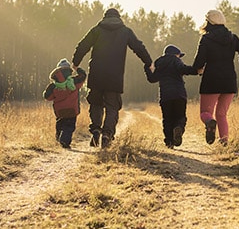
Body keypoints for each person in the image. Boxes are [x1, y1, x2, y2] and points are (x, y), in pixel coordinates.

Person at [72, 8, 153, 149]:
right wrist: (149, 62)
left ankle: (96, 130)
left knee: (96, 104)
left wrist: (75, 62)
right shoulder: (125, 31)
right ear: (119, 17)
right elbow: (138, 47)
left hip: (96, 74)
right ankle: (107, 134)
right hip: (115, 76)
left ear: (105, 17)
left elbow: (82, 45)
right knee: (112, 106)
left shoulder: (97, 30)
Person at [191, 9, 239, 145]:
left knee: (206, 112)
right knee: (222, 114)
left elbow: (198, 63)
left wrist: (197, 70)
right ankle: (224, 142)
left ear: (209, 22)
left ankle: (209, 122)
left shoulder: (206, 39)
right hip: (229, 81)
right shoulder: (232, 37)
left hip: (211, 81)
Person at [144, 44, 198, 149]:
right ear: (175, 54)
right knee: (180, 117)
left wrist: (147, 68)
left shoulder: (158, 63)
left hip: (166, 96)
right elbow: (184, 69)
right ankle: (178, 128)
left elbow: (152, 79)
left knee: (167, 119)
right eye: (179, 55)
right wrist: (196, 70)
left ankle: (169, 142)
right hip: (179, 94)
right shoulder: (175, 60)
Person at [43, 58, 87, 149]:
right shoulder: (75, 81)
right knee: (69, 126)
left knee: (60, 125)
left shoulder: (53, 85)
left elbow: (47, 97)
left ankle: (58, 139)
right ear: (69, 71)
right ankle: (64, 142)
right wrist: (76, 68)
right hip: (72, 110)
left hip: (60, 111)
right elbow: (83, 75)